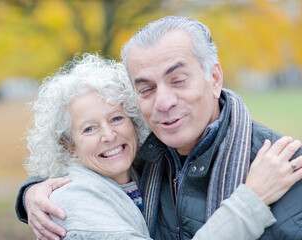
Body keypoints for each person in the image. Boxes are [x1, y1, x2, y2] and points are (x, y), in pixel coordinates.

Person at [16, 17, 302, 239]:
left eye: (178, 80)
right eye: (147, 88)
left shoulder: (282, 170)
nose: (163, 102)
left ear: (214, 78)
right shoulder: (147, 160)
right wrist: (33, 193)